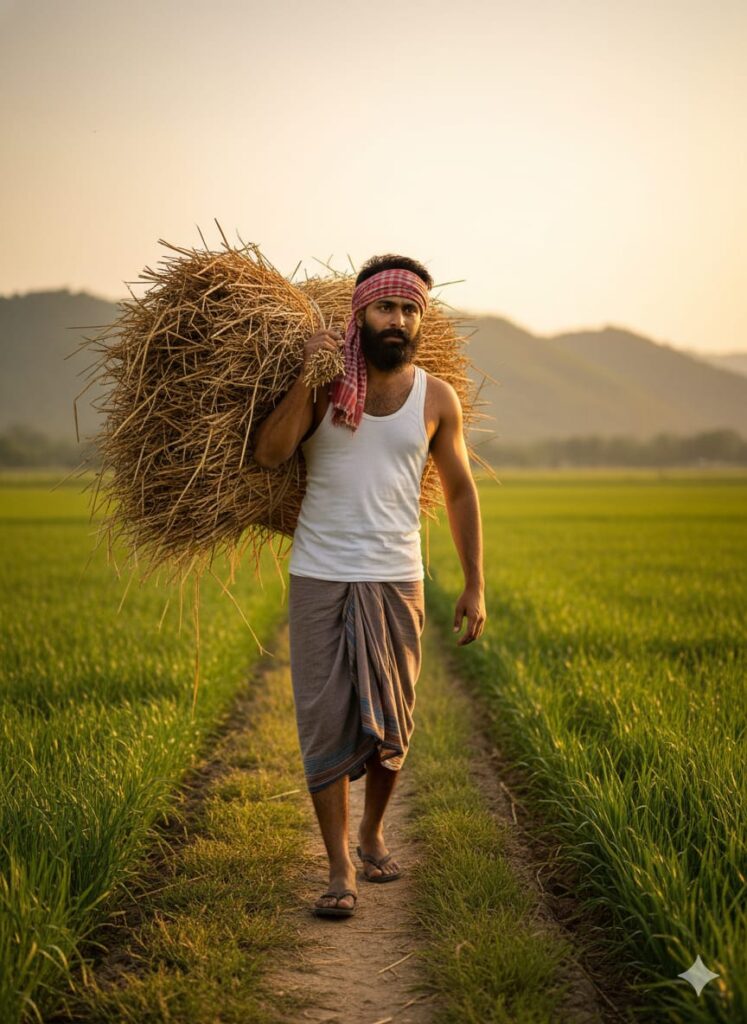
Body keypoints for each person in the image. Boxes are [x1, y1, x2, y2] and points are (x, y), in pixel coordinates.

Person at [252, 254, 486, 918]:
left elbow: (463, 493)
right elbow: (271, 453)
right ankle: (337, 867)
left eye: (410, 309)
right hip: (319, 574)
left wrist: (474, 583)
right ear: (360, 313)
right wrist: (307, 377)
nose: (398, 319)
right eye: (386, 307)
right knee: (322, 720)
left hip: (397, 577)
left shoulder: (435, 398)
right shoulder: (325, 388)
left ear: (420, 320)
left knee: (394, 720)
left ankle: (373, 829)